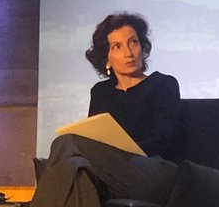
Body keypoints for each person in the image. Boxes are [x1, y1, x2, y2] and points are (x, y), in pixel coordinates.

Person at [28, 13, 182, 207]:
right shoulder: (100, 92)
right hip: (111, 174)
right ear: (106, 58)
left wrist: (116, 152)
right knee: (76, 170)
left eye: (133, 42)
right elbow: (93, 142)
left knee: (67, 141)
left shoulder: (163, 84)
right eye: (117, 46)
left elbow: (162, 140)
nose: (129, 53)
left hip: (155, 173)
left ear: (142, 47)